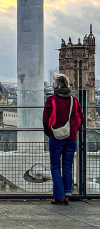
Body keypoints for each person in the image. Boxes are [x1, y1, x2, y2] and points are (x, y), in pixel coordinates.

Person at [43, 73, 83, 205]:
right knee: (67, 166)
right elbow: (81, 118)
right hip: (71, 138)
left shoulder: (51, 100)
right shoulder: (74, 100)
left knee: (55, 166)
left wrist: (49, 132)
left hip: (56, 136)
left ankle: (59, 196)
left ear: (56, 85)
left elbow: (45, 119)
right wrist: (74, 130)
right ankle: (67, 194)